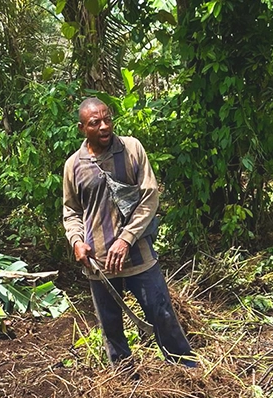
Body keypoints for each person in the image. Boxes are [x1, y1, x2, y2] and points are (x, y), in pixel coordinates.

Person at [62, 97, 195, 367]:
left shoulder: (132, 149)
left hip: (138, 257)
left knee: (162, 315)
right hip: (99, 264)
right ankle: (125, 382)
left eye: (107, 119)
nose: (104, 126)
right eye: (94, 122)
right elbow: (71, 211)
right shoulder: (73, 165)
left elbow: (149, 197)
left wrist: (126, 238)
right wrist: (76, 241)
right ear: (81, 128)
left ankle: (187, 373)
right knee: (111, 328)